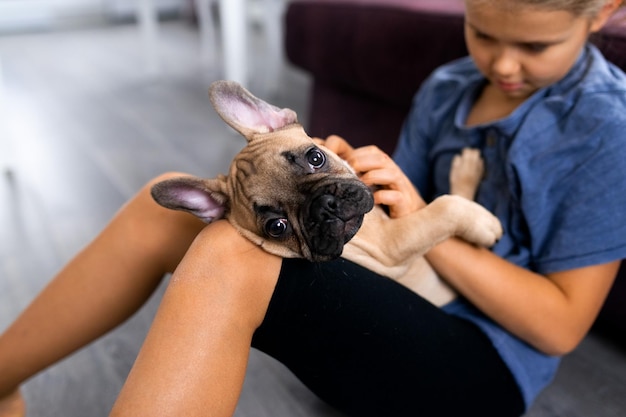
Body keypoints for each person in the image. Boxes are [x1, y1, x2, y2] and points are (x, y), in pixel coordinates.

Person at [2, 0, 626, 415]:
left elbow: (560, 327)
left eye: (536, 44)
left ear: (606, 11)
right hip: (398, 304)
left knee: (229, 251)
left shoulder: (607, 126)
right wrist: (361, 176)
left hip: (481, 368)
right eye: (482, 30)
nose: (502, 61)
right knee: (167, 198)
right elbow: (379, 216)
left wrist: (424, 218)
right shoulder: (449, 86)